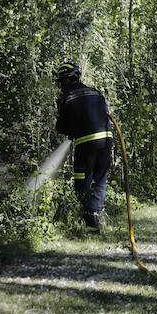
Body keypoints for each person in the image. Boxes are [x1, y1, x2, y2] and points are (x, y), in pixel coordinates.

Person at [55, 61, 113, 233]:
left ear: (65, 80)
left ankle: (88, 221)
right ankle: (94, 215)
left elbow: (62, 128)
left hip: (86, 144)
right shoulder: (96, 93)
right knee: (100, 178)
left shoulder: (65, 99)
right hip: (106, 140)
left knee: (82, 181)